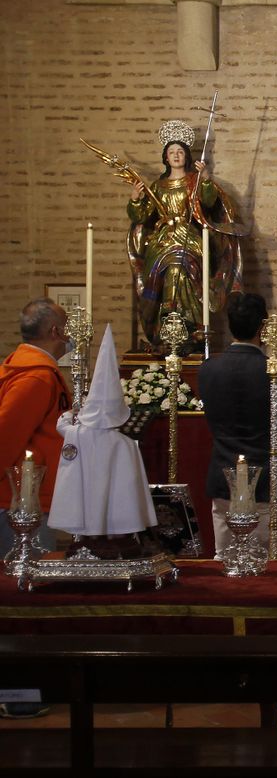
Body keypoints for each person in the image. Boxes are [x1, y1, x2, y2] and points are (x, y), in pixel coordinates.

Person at [0, 298, 71, 721]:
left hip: (24, 496)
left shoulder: (26, 367)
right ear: (54, 332)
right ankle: (19, 694)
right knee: (23, 599)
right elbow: (7, 434)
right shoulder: (36, 377)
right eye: (64, 326)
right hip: (21, 501)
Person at [123, 120, 246, 353]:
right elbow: (141, 217)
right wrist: (136, 198)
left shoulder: (194, 181)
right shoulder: (158, 186)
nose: (176, 155)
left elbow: (209, 203)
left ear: (186, 156)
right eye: (172, 152)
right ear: (166, 157)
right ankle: (164, 326)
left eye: (180, 151)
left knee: (182, 269)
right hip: (162, 242)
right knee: (165, 271)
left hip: (189, 239)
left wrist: (206, 180)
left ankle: (189, 326)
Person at [198, 292, 277, 552]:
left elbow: (213, 415)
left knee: (225, 559)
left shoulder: (209, 369)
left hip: (225, 476)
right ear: (262, 327)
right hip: (269, 476)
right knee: (265, 564)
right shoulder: (276, 368)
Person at [49, 325, 158, 557]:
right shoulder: (124, 443)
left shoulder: (77, 434)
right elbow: (132, 488)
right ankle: (116, 535)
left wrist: (71, 414)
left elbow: (61, 426)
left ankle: (94, 537)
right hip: (117, 530)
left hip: (86, 496)